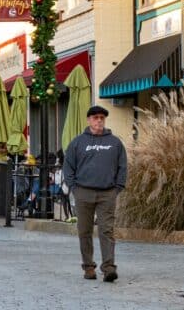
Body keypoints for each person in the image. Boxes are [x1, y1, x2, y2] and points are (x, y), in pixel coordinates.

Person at [63, 105, 128, 283]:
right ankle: (89, 267)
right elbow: (68, 167)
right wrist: (74, 187)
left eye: (101, 118)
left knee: (107, 230)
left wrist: (118, 188)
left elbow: (123, 166)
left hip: (107, 193)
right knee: (84, 230)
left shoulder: (115, 143)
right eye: (95, 117)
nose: (99, 120)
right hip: (83, 192)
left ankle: (108, 268)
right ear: (88, 120)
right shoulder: (78, 142)